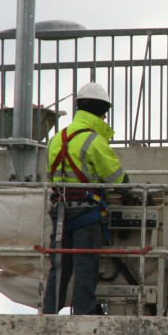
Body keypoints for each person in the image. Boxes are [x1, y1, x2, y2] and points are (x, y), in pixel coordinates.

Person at [43, 81, 129, 315]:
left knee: (59, 265)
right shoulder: (94, 141)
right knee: (85, 264)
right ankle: (84, 310)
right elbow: (119, 181)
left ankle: (50, 310)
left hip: (60, 211)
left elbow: (52, 175)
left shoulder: (57, 139)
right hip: (85, 214)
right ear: (102, 113)